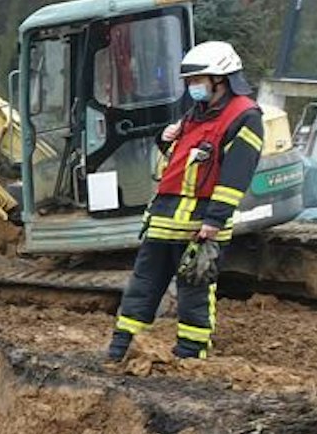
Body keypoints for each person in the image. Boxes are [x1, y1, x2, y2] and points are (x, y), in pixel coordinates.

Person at [105, 40, 265, 363]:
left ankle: (190, 356)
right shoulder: (196, 114)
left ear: (220, 79)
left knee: (194, 290)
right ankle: (121, 348)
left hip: (199, 226)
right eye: (189, 81)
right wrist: (163, 140)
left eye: (197, 80)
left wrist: (214, 221)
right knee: (142, 286)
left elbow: (235, 174)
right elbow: (183, 165)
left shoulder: (245, 116)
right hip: (164, 220)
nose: (192, 86)